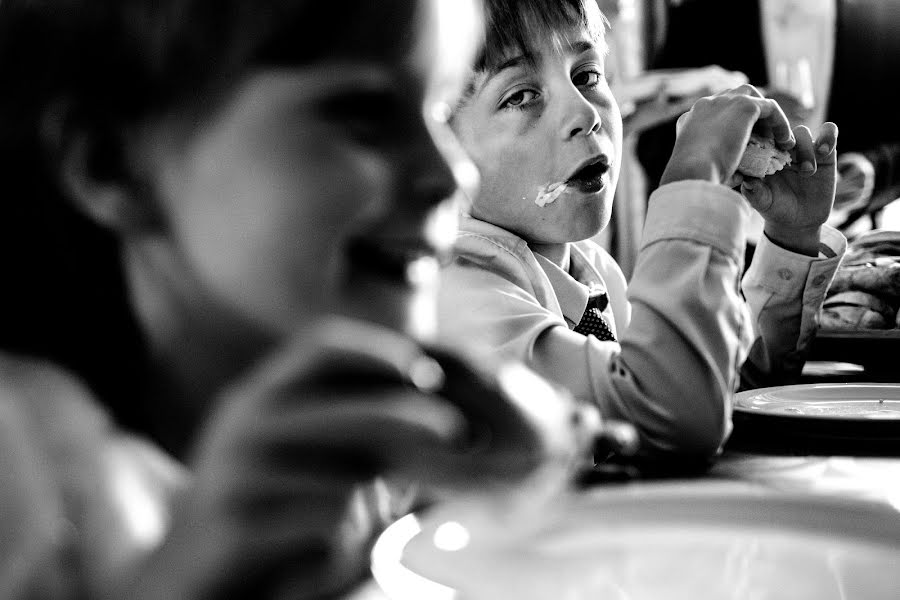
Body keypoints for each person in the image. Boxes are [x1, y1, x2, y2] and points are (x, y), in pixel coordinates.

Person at [0, 0, 599, 598]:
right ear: (112, 166)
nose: (450, 174)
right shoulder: (29, 469)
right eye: (362, 113)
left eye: (440, 110)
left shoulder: (356, 405)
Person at [437, 0, 846, 463]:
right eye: (520, 96)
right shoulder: (460, 294)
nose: (584, 113)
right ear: (439, 149)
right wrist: (691, 180)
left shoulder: (594, 272)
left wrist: (790, 237)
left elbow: (716, 384)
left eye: (587, 76)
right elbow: (674, 414)